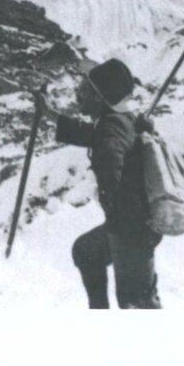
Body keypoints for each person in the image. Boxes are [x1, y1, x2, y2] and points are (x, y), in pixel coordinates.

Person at [54, 58, 162, 310]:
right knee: (86, 251)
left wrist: (111, 199)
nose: (80, 97)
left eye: (87, 92)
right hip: (134, 223)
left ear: (100, 97)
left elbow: (110, 152)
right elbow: (93, 135)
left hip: (132, 229)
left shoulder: (111, 127)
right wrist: (50, 115)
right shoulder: (120, 118)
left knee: (137, 303)